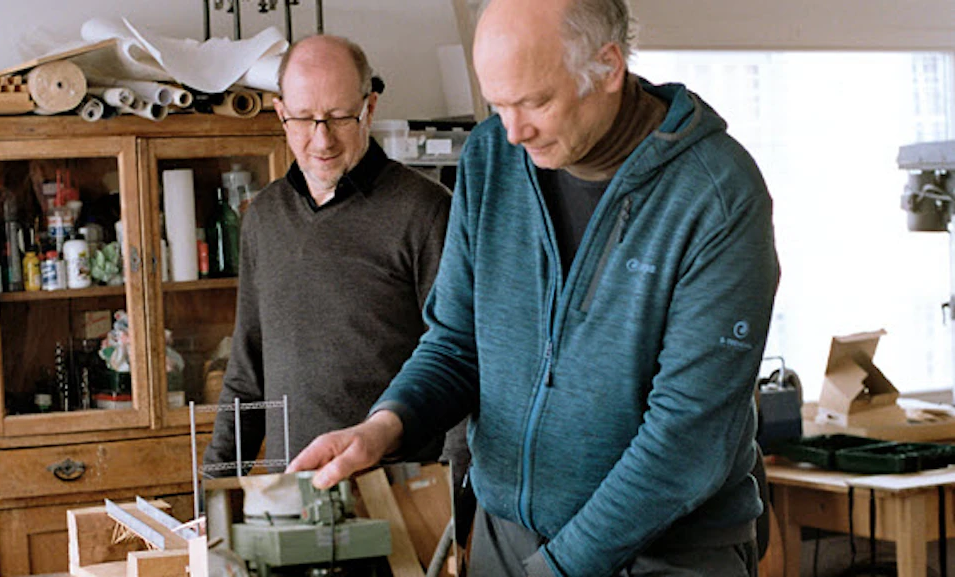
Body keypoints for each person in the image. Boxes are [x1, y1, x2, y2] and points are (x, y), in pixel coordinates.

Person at [287, 0, 780, 575]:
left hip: (667, 552)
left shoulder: (716, 195)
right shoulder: (491, 157)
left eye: (536, 102)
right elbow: (456, 343)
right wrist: (384, 427)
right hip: (508, 537)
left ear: (608, 66)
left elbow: (687, 439)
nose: (514, 132)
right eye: (498, 104)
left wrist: (557, 568)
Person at [203, 35, 452, 476]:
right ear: (281, 113)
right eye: (303, 118)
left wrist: (457, 494)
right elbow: (246, 371)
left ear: (369, 108)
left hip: (397, 489)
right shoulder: (263, 216)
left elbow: (459, 362)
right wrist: (213, 488)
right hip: (291, 490)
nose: (322, 140)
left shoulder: (426, 211)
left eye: (339, 118)